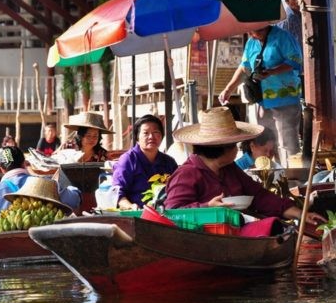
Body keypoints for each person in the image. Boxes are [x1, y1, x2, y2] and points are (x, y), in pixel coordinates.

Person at [164, 107, 325, 227]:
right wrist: (207, 208)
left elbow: (259, 196)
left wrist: (301, 214)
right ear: (224, 148)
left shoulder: (229, 168)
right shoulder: (186, 174)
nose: (238, 149)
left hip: (234, 232)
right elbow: (172, 213)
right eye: (235, 145)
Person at [218, 25, 303, 162]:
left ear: (265, 26)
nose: (252, 35)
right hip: (260, 100)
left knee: (287, 142)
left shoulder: (282, 37)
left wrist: (271, 72)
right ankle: (268, 176)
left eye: (256, 31)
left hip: (284, 99)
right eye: (249, 31)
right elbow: (244, 67)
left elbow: (295, 61)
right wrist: (228, 89)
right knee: (262, 143)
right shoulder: (251, 42)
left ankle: (291, 177)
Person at [0, 146, 81, 234]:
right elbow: (74, 199)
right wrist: (72, 189)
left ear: (2, 169)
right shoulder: (47, 184)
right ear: (24, 164)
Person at [112, 115, 178, 210]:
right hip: (136, 214)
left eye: (156, 132)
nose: (151, 137)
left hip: (165, 213)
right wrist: (130, 206)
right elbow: (117, 193)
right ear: (137, 138)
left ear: (161, 136)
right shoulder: (128, 159)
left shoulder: (169, 162)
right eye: (145, 133)